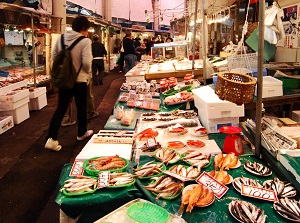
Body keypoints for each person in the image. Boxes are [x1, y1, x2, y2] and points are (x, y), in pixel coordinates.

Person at [45, 16, 93, 151]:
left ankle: (52, 138)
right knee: (81, 107)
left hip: (64, 80)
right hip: (79, 81)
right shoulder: (85, 41)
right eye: (87, 29)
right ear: (84, 28)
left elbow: (55, 57)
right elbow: (87, 63)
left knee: (61, 108)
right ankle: (81, 133)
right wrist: (86, 73)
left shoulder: (60, 39)